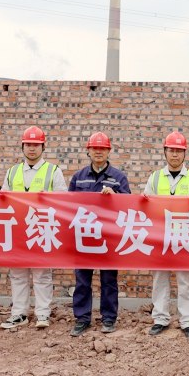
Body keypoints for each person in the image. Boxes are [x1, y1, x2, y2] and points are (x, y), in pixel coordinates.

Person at [0, 126, 67, 330]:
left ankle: (43, 314)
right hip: (18, 229)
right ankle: (19, 313)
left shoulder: (53, 171)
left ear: (42, 147)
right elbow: (2, 198)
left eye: (36, 145)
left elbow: (64, 200)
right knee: (18, 274)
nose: (32, 149)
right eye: (28, 144)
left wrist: (50, 197)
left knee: (42, 274)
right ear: (22, 146)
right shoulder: (13, 172)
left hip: (42, 228)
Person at [68, 132, 130, 338]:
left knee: (108, 279)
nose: (98, 152)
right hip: (84, 236)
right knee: (83, 279)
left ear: (108, 151)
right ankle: (82, 318)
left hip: (108, 237)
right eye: (95, 148)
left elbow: (129, 206)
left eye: (102, 149)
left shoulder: (118, 178)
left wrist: (116, 196)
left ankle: (109, 318)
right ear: (88, 151)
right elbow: (67, 205)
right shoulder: (78, 177)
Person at [144, 131, 189, 339]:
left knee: (185, 280)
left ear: (185, 154)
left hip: (184, 235)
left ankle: (187, 321)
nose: (175, 155)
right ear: (165, 152)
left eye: (179, 151)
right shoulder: (155, 177)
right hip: (160, 236)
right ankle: (160, 318)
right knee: (159, 278)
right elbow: (146, 206)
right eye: (171, 150)